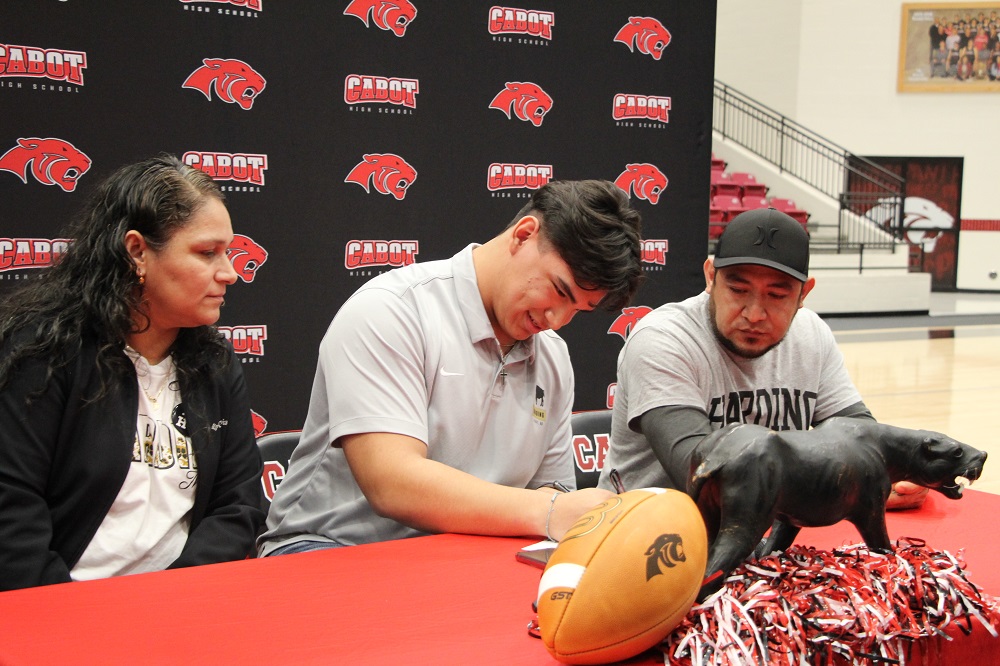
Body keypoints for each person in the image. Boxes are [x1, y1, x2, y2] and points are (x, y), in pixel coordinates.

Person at [258, 179, 643, 556]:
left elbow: (551, 494)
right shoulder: (392, 310)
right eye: (560, 291)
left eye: (578, 310)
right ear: (524, 235)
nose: (557, 319)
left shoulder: (553, 356)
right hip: (332, 548)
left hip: (466, 555)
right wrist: (550, 512)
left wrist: (561, 512)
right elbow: (392, 483)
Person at [0, 155, 265, 591]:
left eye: (229, 252)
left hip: (180, 611)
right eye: (207, 253)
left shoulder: (215, 361)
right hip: (59, 614)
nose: (230, 273)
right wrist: (67, 619)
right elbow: (12, 515)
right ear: (137, 252)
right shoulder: (43, 352)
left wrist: (175, 602)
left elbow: (238, 506)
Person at [596, 207, 928, 510]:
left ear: (804, 294)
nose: (754, 314)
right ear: (711, 277)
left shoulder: (811, 335)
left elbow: (863, 440)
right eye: (738, 290)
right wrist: (850, 481)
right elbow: (704, 474)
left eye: (776, 295)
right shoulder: (664, 339)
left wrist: (900, 470)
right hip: (646, 544)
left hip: (764, 536)